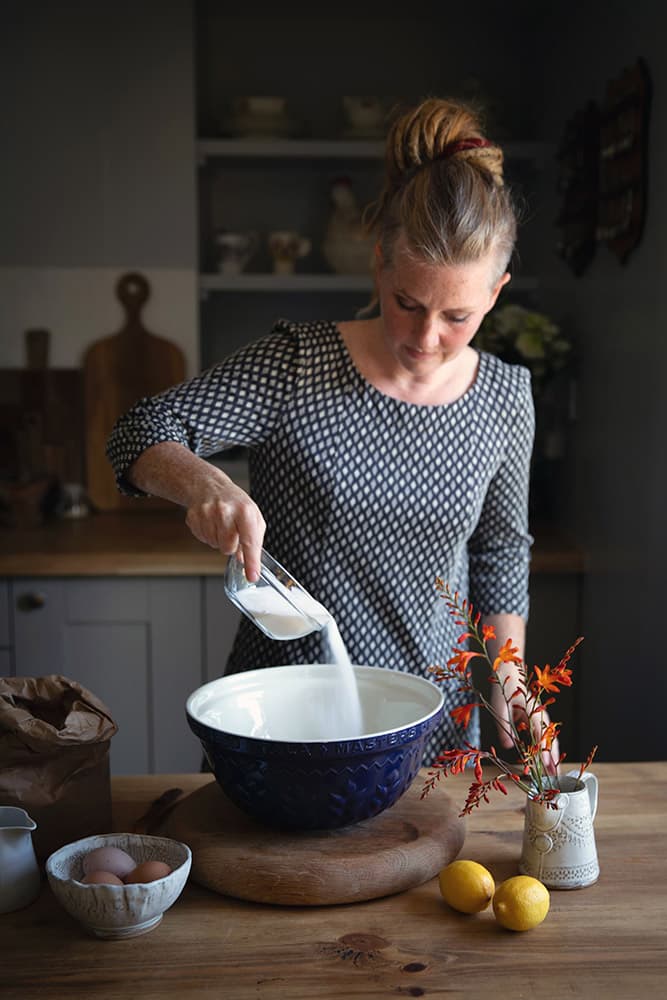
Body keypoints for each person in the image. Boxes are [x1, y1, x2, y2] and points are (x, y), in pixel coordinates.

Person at [107, 96, 557, 768]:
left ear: (496, 293)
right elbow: (138, 429)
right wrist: (202, 481)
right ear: (379, 263)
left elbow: (498, 555)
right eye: (407, 303)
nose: (426, 338)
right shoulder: (296, 365)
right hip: (284, 717)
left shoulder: (503, 397)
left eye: (457, 315)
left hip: (430, 728)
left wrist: (511, 682)